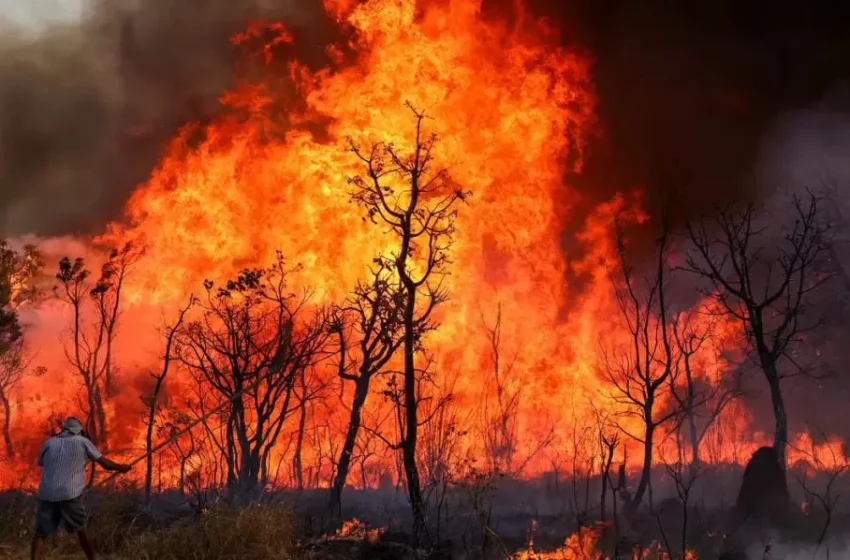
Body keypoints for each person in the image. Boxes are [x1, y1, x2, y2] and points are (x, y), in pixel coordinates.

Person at [30, 417, 132, 560]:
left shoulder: (48, 443)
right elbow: (105, 464)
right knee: (81, 530)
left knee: (41, 533)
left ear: (64, 429)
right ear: (78, 431)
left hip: (46, 494)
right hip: (69, 494)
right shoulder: (82, 441)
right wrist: (121, 468)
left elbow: (41, 463)